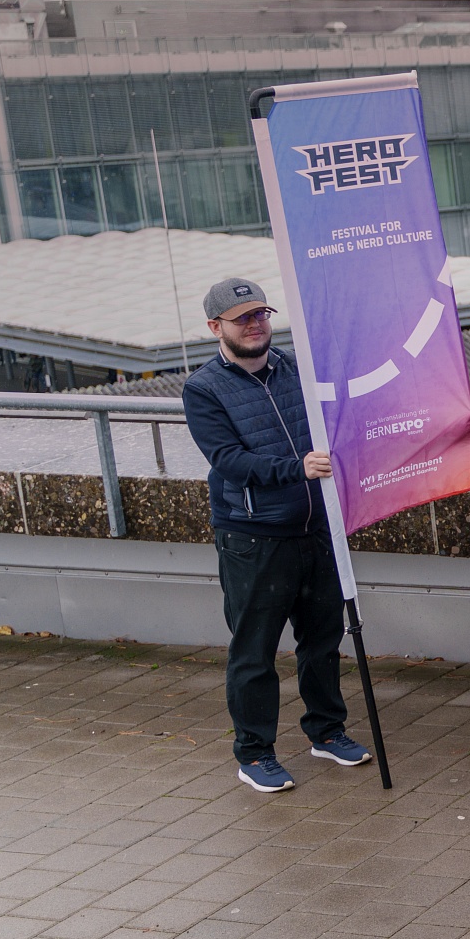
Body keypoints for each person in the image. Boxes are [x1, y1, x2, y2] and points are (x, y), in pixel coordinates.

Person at [179, 275, 369, 792]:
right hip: (253, 539)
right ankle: (254, 753)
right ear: (216, 327)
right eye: (243, 318)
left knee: (323, 640)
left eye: (261, 315)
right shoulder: (202, 389)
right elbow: (229, 461)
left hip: (315, 529)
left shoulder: (297, 369)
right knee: (254, 651)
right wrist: (297, 469)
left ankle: (326, 732)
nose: (256, 325)